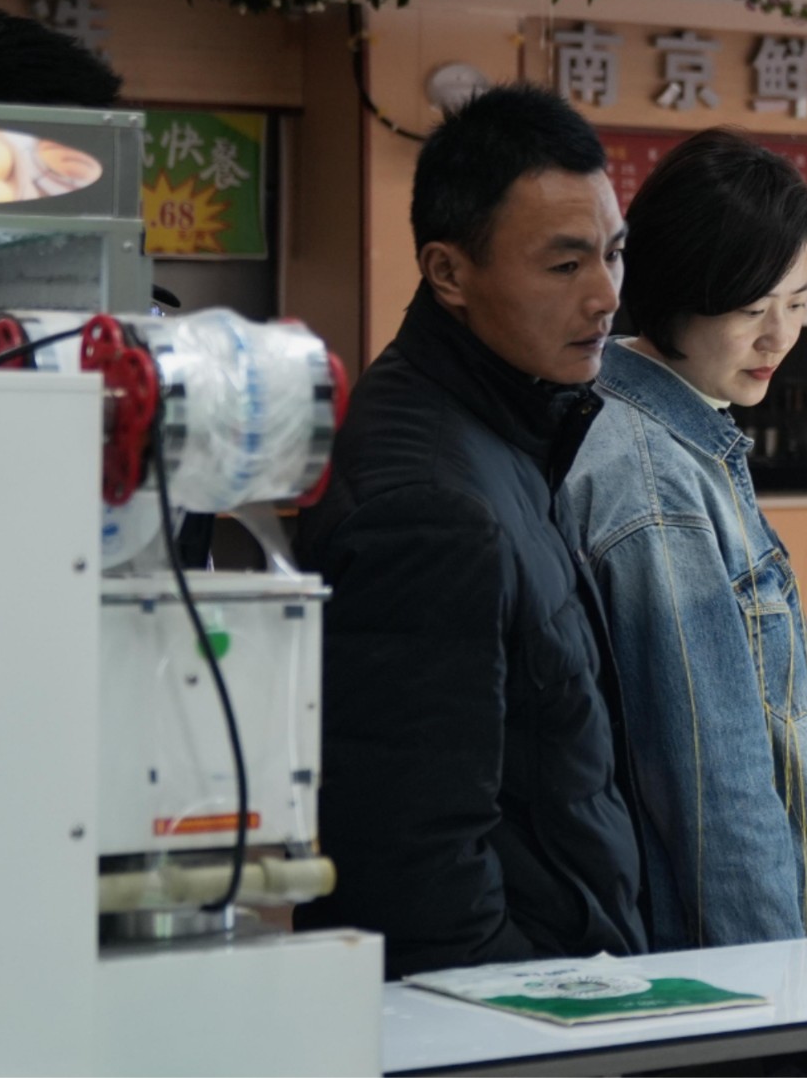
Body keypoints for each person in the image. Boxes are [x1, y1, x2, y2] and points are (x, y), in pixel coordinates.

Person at [297, 84, 644, 977]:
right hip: (506, 1009)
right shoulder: (431, 499)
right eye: (565, 266)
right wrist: (520, 1016)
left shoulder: (509, 427)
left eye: (613, 253)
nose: (605, 296)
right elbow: (410, 857)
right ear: (449, 272)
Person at [563, 129, 807, 949]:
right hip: (748, 963)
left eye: (798, 303)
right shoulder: (651, 480)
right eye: (751, 309)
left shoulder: (680, 437)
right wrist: (784, 988)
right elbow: (717, 778)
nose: (780, 337)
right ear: (673, 294)